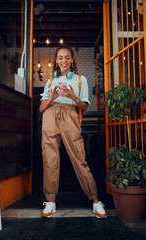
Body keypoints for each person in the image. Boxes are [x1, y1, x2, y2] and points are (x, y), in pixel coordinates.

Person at [39, 44, 107, 219]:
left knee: (79, 158)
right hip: (50, 115)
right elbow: (41, 108)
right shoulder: (50, 81)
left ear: (72, 60)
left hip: (70, 115)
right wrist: (52, 98)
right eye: (60, 58)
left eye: (67, 57)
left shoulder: (80, 80)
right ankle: (51, 201)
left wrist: (73, 97)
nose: (64, 60)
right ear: (56, 60)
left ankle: (95, 201)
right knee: (50, 160)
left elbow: (83, 106)